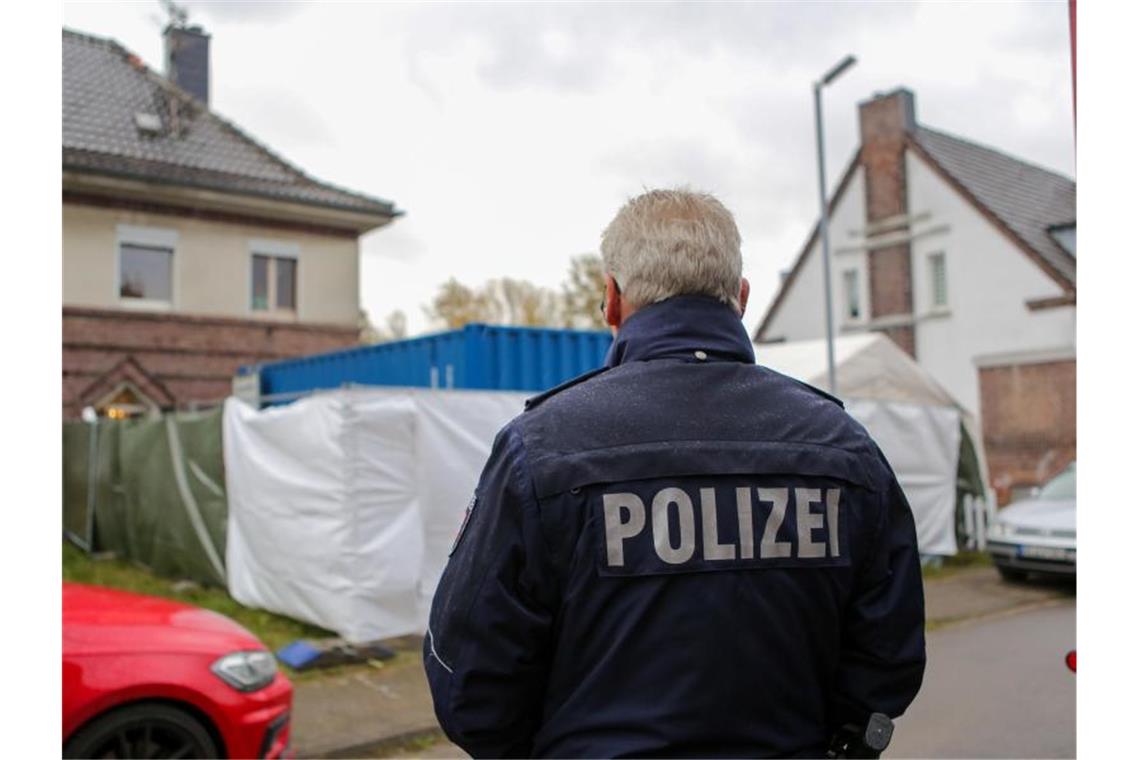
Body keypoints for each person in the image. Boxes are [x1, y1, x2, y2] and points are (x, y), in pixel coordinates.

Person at [424, 188, 926, 758]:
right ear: (741, 298)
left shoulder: (540, 448)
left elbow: (468, 679)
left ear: (612, 300)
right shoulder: (844, 447)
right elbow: (890, 654)